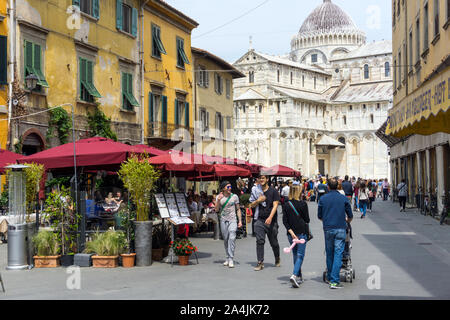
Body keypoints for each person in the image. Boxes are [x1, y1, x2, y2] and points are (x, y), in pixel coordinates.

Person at [318, 178, 353, 289]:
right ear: (338, 186)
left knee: (329, 253)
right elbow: (350, 215)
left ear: (328, 187)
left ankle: (329, 277)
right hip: (340, 228)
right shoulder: (343, 198)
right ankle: (334, 280)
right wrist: (347, 221)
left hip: (328, 228)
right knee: (338, 253)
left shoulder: (323, 199)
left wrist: (326, 221)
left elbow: (319, 216)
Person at [249, 174, 281, 271]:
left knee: (274, 242)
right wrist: (258, 200)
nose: (261, 180)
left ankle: (277, 257)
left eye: (263, 178)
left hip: (271, 221)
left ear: (267, 179)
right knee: (260, 241)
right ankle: (260, 262)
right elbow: (251, 205)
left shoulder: (273, 191)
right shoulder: (256, 191)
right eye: (259, 178)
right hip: (259, 220)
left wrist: (270, 217)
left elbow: (275, 205)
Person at [282, 185, 310, 288]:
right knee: (300, 255)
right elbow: (307, 220)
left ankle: (298, 275)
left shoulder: (286, 204)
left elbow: (285, 221)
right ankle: (294, 275)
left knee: (295, 254)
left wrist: (291, 231)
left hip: (291, 234)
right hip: (301, 232)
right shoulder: (303, 204)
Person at [215, 181, 242, 268]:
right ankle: (227, 257)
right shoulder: (219, 197)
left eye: (230, 186)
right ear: (223, 188)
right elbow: (216, 210)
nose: (230, 188)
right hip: (223, 220)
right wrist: (218, 200)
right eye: (227, 187)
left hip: (233, 220)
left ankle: (231, 258)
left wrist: (240, 221)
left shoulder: (234, 197)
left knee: (232, 237)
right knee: (226, 239)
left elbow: (238, 209)